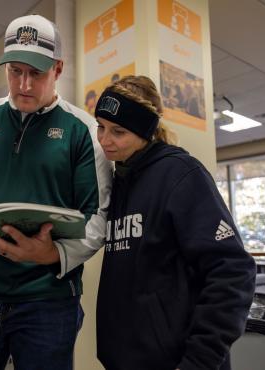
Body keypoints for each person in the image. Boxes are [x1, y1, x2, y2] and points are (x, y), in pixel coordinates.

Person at [0, 14, 112, 370]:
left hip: (48, 300)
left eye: (37, 73)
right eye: (15, 71)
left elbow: (98, 215)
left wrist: (53, 255)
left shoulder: (84, 131)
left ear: (58, 68)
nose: (24, 84)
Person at [93, 75, 256, 370]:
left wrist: (199, 361)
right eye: (101, 127)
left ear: (145, 132)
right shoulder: (118, 181)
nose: (105, 140)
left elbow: (233, 272)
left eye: (118, 131)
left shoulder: (182, 175)